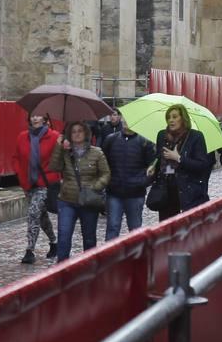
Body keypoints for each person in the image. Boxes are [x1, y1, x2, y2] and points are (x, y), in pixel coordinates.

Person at [49, 121, 111, 262]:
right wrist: (58, 146)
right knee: (64, 236)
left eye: (80, 131)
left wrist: (95, 187)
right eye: (73, 131)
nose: (76, 134)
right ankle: (62, 269)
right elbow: (54, 167)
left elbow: (106, 174)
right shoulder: (65, 152)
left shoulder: (97, 153)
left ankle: (89, 267)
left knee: (89, 238)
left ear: (86, 133)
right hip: (67, 200)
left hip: (88, 201)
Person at [12, 112, 60, 263]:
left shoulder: (54, 137)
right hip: (28, 183)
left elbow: (60, 159)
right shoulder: (22, 136)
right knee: (42, 217)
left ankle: (29, 251)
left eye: (38, 116)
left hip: (45, 183)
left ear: (45, 119)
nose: (35, 118)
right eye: (32, 116)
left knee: (33, 213)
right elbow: (16, 158)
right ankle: (54, 243)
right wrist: (19, 175)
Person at [152, 104, 213, 220]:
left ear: (183, 118)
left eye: (175, 117)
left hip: (188, 191)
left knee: (187, 228)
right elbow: (158, 158)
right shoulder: (162, 135)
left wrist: (178, 158)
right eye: (168, 117)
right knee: (167, 229)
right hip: (166, 191)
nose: (171, 120)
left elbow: (202, 165)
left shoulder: (196, 137)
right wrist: (153, 167)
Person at [101, 119, 155, 240]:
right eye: (124, 118)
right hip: (114, 192)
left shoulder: (144, 142)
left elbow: (152, 167)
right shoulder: (111, 139)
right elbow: (103, 163)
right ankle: (110, 256)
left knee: (135, 229)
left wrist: (142, 182)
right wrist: (107, 181)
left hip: (135, 194)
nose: (127, 121)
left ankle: (135, 256)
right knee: (113, 227)